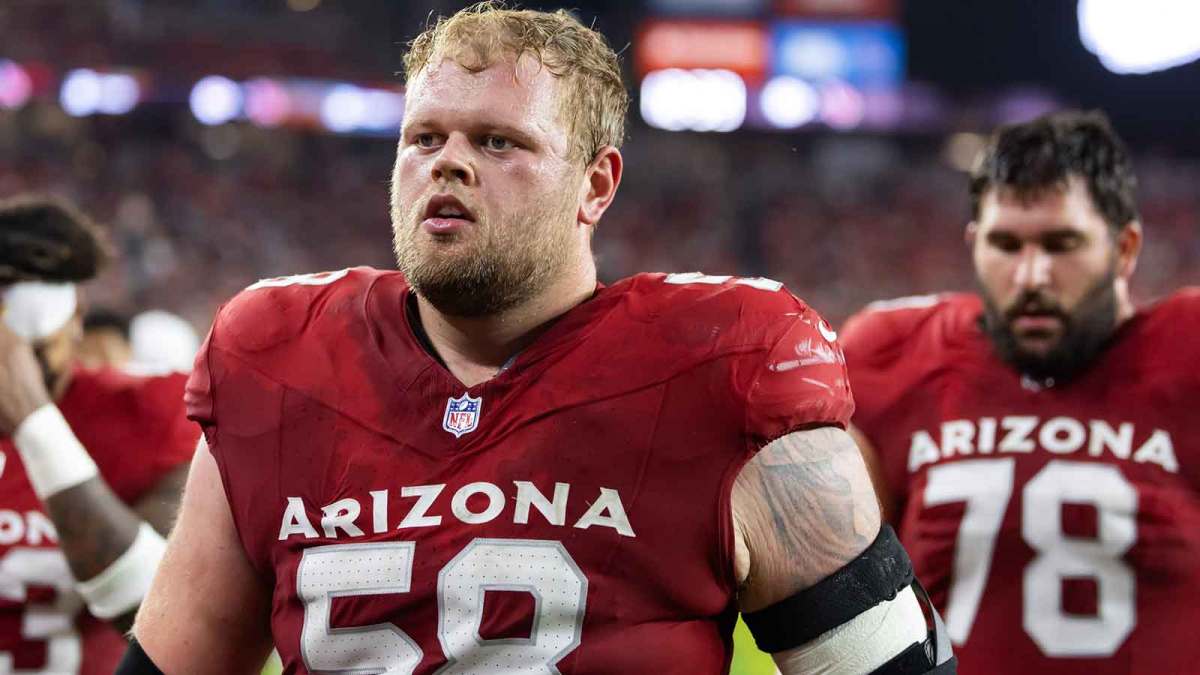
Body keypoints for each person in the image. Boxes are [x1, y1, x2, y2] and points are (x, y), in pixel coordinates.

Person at [125, 4, 953, 675]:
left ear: (596, 183)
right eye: (424, 137)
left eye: (497, 141)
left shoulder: (725, 364)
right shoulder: (275, 358)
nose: (447, 164)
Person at [841, 110, 1199, 674]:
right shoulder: (891, 356)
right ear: (973, 244)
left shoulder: (1189, 354)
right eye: (1006, 244)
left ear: (1125, 249)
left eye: (1062, 244)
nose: (1031, 276)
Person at [0, 196, 197, 674]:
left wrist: (32, 418)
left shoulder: (145, 416)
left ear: (76, 318)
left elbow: (165, 617)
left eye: (33, 350)